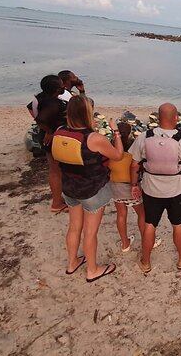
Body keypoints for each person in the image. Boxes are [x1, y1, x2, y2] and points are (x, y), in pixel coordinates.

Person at [52, 95, 123, 282]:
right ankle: (92, 270)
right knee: (90, 233)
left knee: (74, 227)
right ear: (88, 113)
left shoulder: (59, 132)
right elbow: (117, 155)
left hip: (69, 188)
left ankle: (72, 262)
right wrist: (116, 132)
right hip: (92, 190)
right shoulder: (94, 138)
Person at [130, 103, 181, 272]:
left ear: (158, 118)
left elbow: (133, 165)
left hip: (151, 188)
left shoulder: (144, 137)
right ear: (176, 118)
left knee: (150, 224)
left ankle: (145, 262)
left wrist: (134, 184)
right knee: (178, 224)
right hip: (177, 189)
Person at [108, 122, 149, 253]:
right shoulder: (134, 150)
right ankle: (146, 240)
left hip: (115, 185)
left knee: (121, 215)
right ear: (130, 133)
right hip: (131, 185)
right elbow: (140, 166)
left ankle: (125, 243)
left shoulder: (111, 150)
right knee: (142, 214)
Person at [34, 75, 68, 213]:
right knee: (56, 171)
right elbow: (40, 119)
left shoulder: (40, 97)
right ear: (55, 89)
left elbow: (31, 108)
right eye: (61, 86)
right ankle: (57, 203)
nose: (64, 87)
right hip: (54, 139)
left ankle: (59, 200)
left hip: (49, 138)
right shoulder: (53, 103)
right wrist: (49, 131)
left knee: (55, 170)